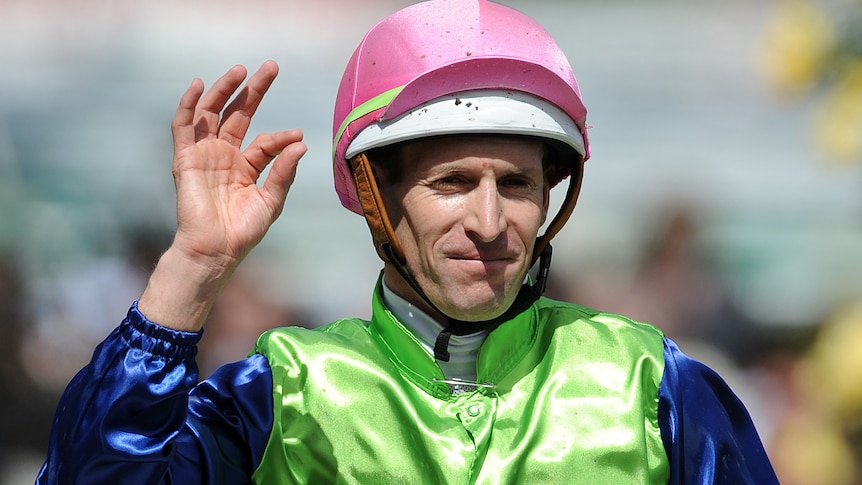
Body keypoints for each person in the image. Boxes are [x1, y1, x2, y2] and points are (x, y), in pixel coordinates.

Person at [37, 1, 779, 483]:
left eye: (517, 185)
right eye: (453, 181)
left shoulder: (657, 384)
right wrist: (194, 264)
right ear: (375, 195)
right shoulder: (282, 393)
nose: (490, 223)